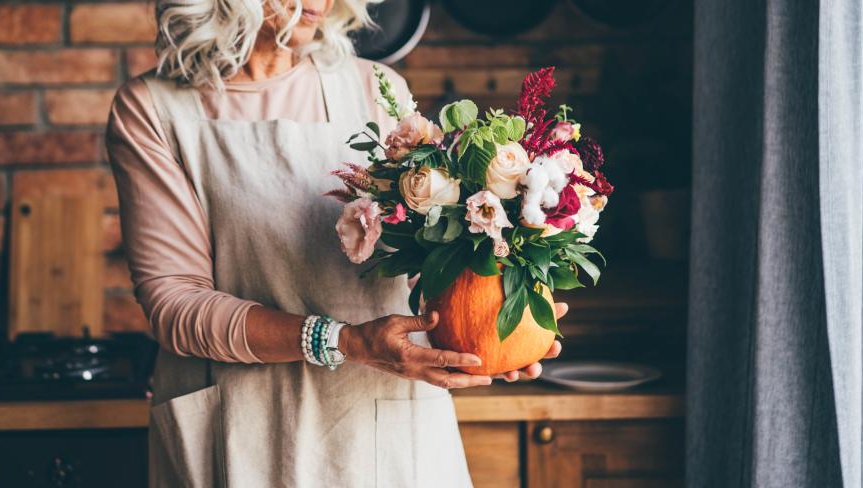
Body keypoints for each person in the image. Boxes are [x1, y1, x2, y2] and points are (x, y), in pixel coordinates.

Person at [106, 1, 566, 486]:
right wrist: (345, 341)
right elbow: (175, 303)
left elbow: (416, 263)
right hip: (243, 425)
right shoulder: (154, 109)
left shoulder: (374, 88)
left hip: (388, 424)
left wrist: (494, 316)